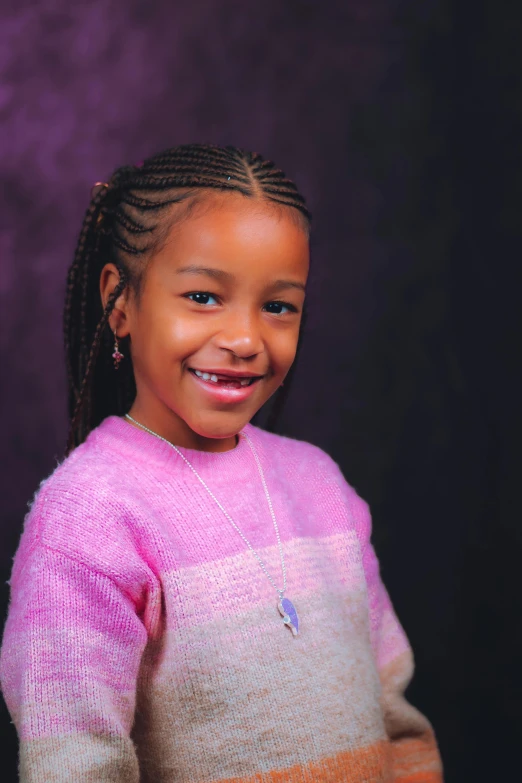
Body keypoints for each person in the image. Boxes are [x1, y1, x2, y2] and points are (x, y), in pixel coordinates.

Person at [0, 144, 443, 783]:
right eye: (204, 296)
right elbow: (74, 763)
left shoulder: (320, 486)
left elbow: (396, 720)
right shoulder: (90, 513)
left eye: (278, 306)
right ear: (120, 302)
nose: (244, 339)